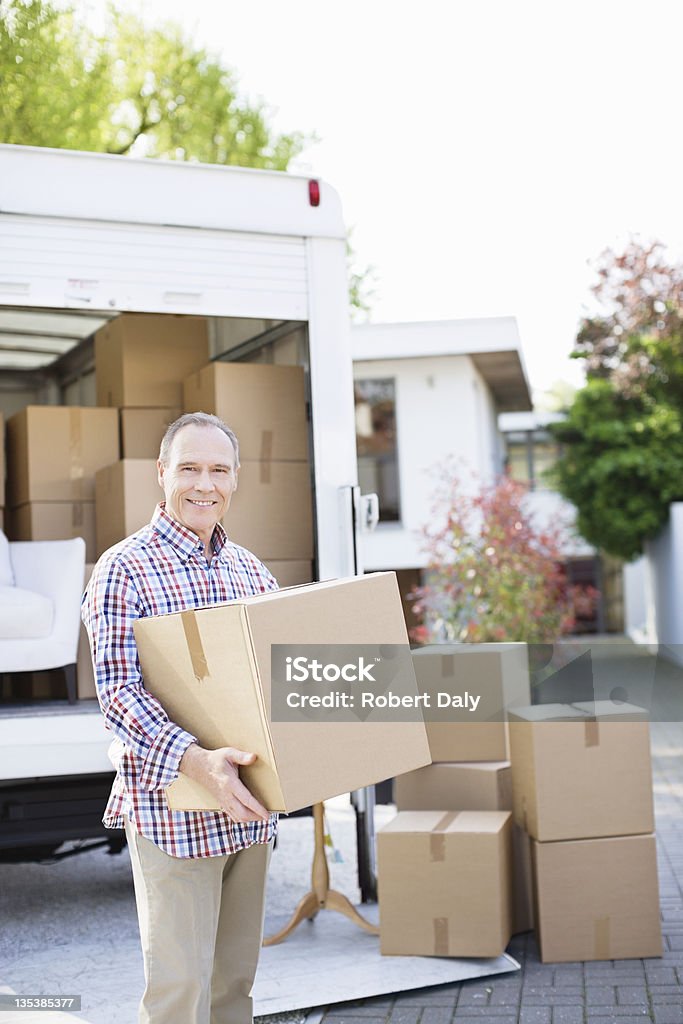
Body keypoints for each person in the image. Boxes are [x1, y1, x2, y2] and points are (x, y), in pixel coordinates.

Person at [82, 411, 279, 1024]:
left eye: (218, 470)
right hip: (176, 814)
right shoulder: (123, 569)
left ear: (236, 479)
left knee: (232, 991)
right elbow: (118, 694)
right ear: (161, 473)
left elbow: (275, 682)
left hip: (250, 813)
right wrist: (198, 762)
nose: (204, 484)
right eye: (189, 468)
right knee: (178, 996)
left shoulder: (250, 570)